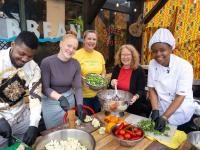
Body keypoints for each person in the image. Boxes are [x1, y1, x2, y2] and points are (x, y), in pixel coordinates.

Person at [148, 28, 195, 133]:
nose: (158, 54)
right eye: (154, 51)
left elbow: (180, 96)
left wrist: (164, 117)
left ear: (170, 49)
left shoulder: (184, 66)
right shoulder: (152, 63)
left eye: (162, 50)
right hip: (161, 107)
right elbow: (152, 89)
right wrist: (155, 109)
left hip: (180, 111)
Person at [0, 31, 42, 148]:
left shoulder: (34, 68)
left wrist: (33, 124)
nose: (25, 59)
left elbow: (35, 98)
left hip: (22, 118)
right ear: (13, 45)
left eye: (30, 56)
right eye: (22, 53)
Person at [41, 31, 85, 129]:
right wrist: (60, 98)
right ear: (61, 44)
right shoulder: (47, 62)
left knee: (71, 128)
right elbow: (45, 88)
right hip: (50, 102)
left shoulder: (76, 64)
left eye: (74, 48)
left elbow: (78, 88)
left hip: (69, 100)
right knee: (54, 131)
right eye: (69, 46)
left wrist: (80, 106)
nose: (71, 50)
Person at [110, 44, 150, 116]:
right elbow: (112, 86)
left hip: (133, 107)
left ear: (133, 56)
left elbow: (141, 90)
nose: (125, 57)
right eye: (123, 55)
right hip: (117, 105)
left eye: (128, 54)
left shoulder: (139, 70)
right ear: (120, 56)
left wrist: (135, 97)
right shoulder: (117, 68)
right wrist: (112, 83)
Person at [73, 30, 106, 113]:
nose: (91, 41)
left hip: (98, 96)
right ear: (84, 40)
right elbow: (72, 73)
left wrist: (102, 79)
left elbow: (103, 71)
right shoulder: (76, 54)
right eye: (89, 38)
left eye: (94, 39)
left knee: (98, 119)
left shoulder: (99, 55)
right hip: (82, 97)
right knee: (85, 121)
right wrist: (82, 80)